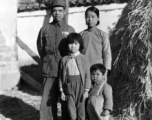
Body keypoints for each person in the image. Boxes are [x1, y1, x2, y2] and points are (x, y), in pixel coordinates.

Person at [37, 0, 75, 120]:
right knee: (47, 101)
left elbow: (75, 49)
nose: (57, 13)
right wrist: (48, 60)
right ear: (51, 12)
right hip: (49, 69)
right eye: (54, 10)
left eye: (60, 10)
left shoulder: (70, 29)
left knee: (66, 99)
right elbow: (41, 48)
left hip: (65, 70)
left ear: (64, 12)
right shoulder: (45, 29)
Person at [58, 33, 91, 120]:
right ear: (67, 45)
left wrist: (86, 90)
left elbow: (87, 75)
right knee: (71, 110)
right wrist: (61, 91)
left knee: (81, 110)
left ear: (80, 45)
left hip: (80, 86)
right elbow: (61, 76)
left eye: (76, 43)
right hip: (68, 86)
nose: (73, 46)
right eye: (70, 43)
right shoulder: (64, 59)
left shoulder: (84, 58)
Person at [80, 6, 112, 78]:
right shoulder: (81, 35)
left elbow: (107, 54)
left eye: (93, 17)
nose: (90, 19)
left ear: (98, 18)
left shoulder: (103, 35)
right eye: (87, 17)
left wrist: (105, 72)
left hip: (98, 72)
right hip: (84, 70)